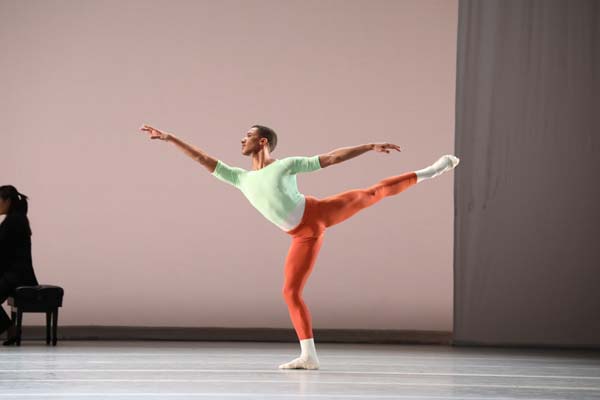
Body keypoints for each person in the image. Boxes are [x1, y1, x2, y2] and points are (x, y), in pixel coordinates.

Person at [139, 124, 459, 369]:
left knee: (372, 193)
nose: (241, 140)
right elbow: (202, 158)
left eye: (247, 136)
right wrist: (170, 139)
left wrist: (367, 146)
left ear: (262, 141)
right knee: (290, 293)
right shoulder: (238, 177)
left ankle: (430, 171)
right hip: (301, 236)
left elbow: (331, 158)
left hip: (318, 212)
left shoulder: (285, 165)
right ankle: (309, 356)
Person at [0, 185, 39, 346]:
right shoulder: (15, 218)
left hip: (17, 275)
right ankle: (10, 329)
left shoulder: (14, 220)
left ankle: (10, 328)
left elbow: (4, 253)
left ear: (7, 200)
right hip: (14, 273)